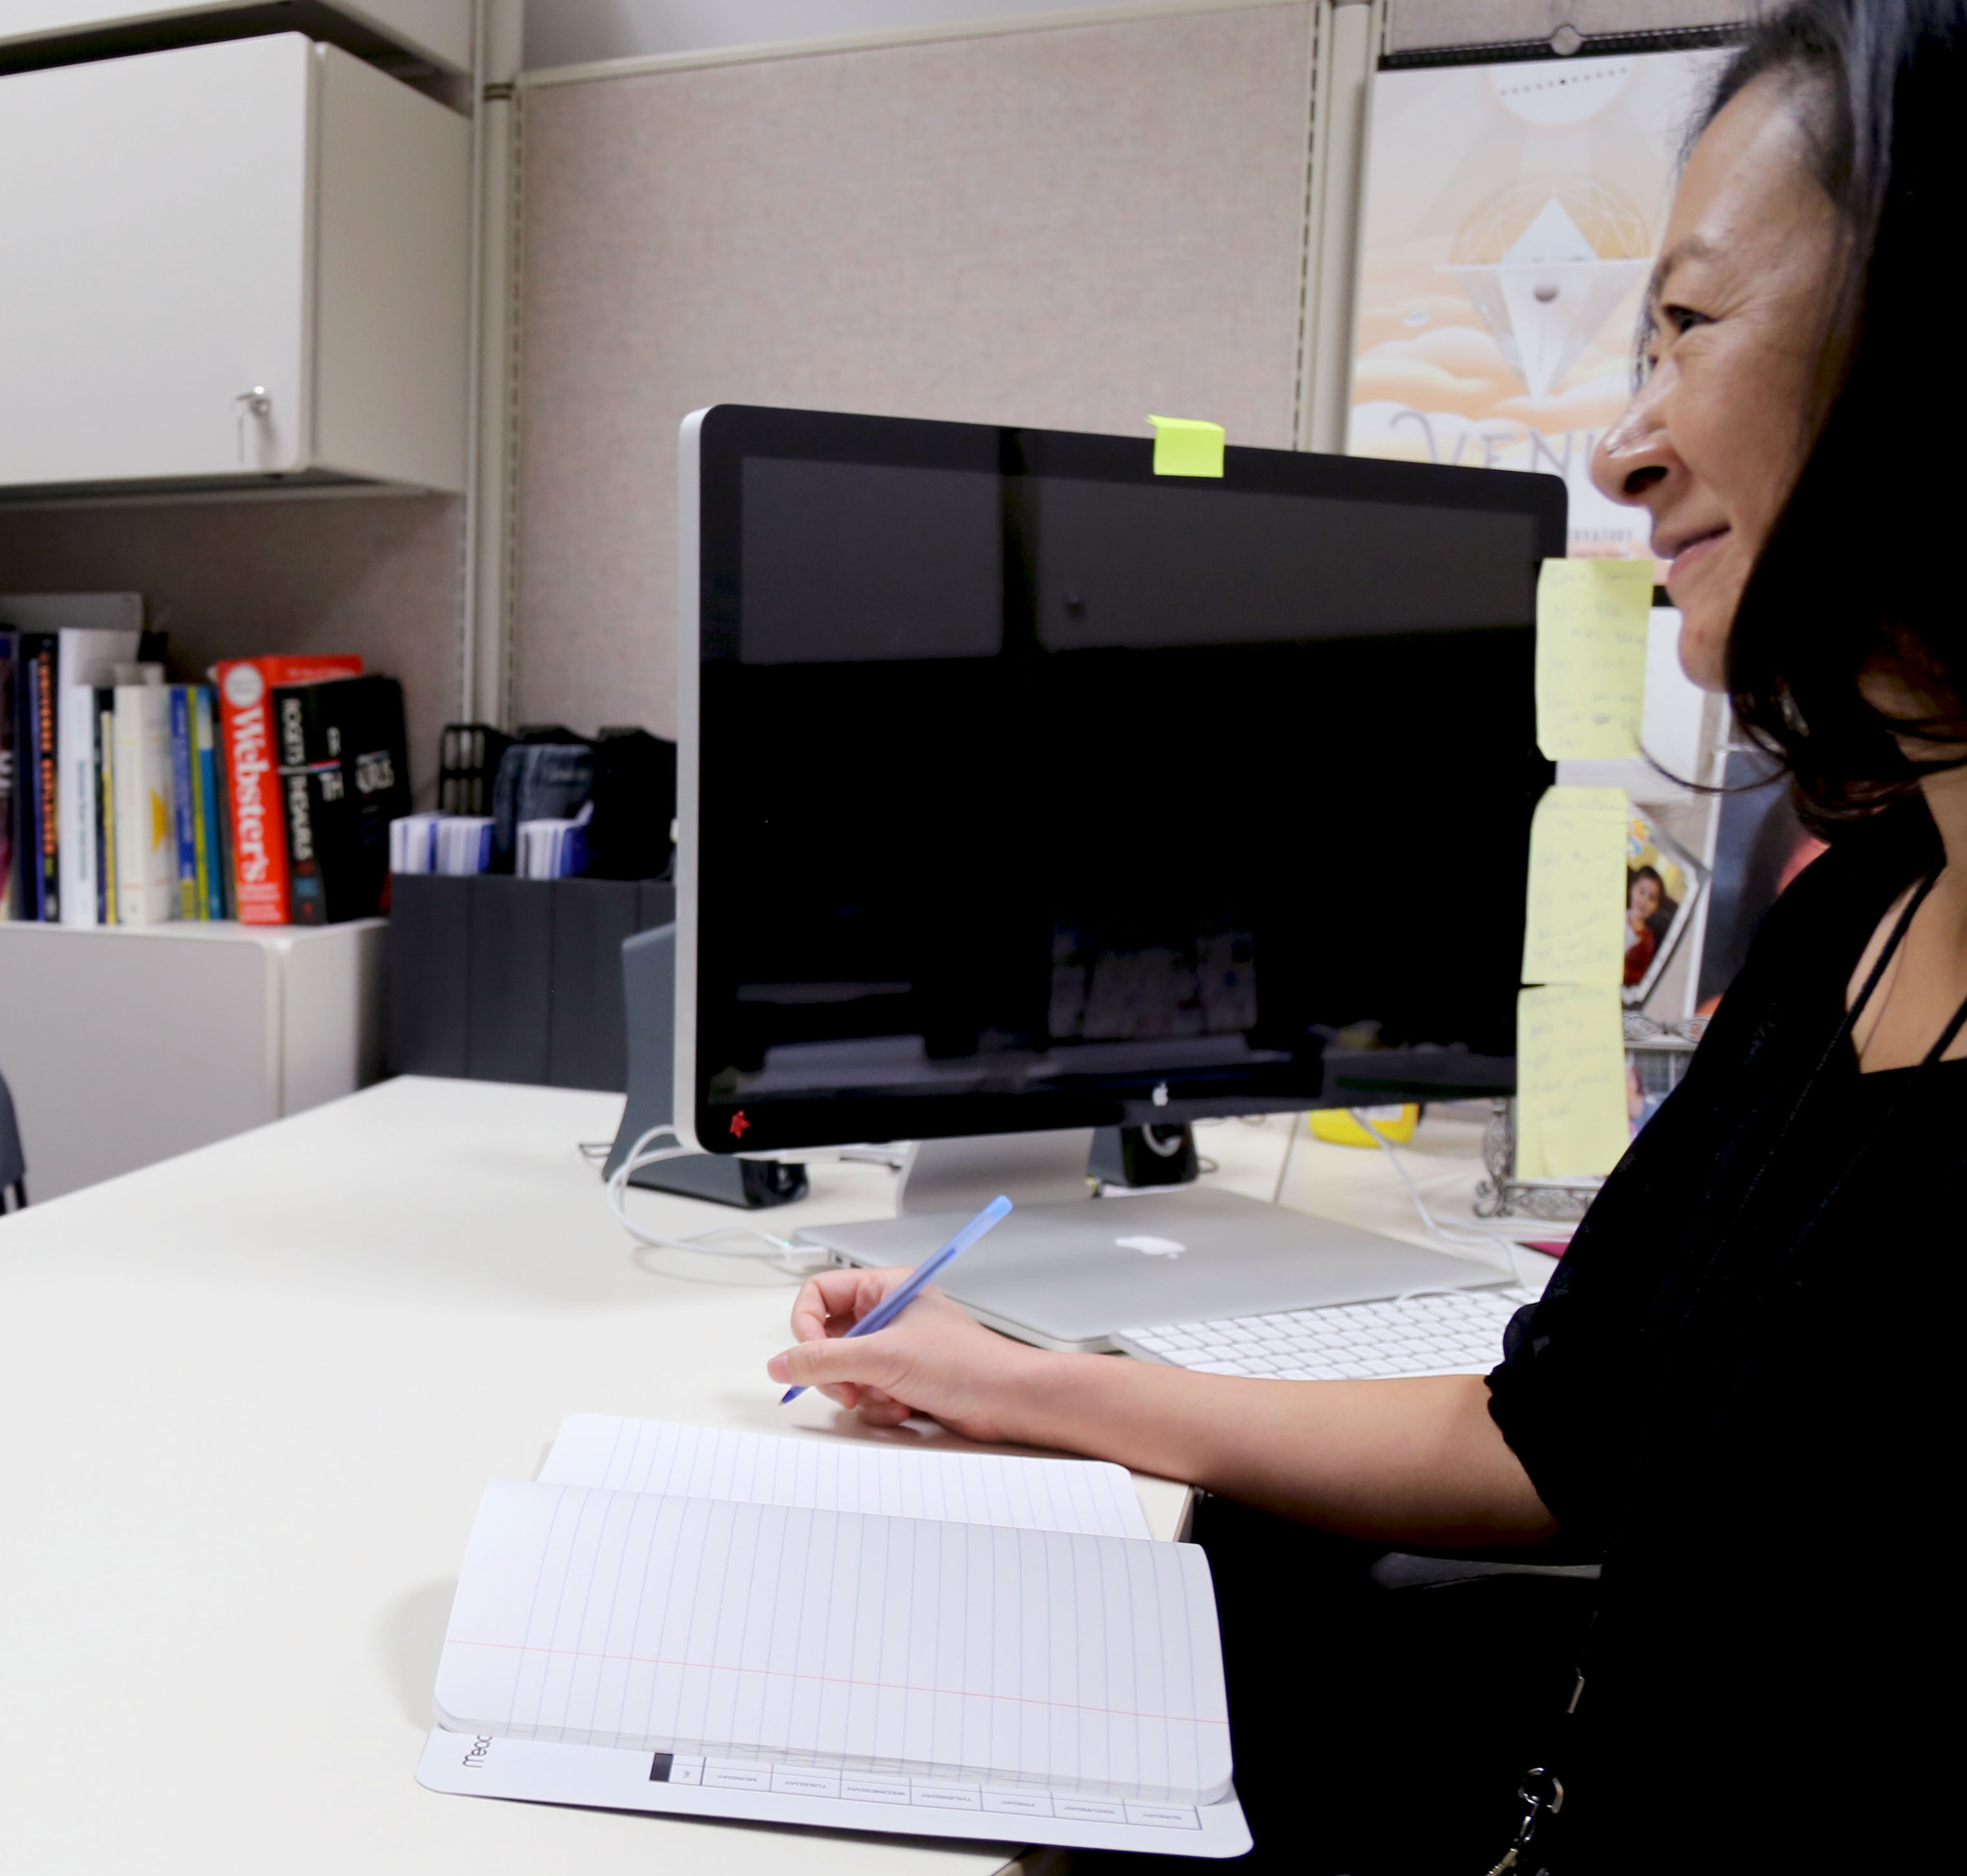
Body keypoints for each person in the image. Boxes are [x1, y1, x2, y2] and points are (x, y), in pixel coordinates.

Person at [766, 1, 1962, 1866]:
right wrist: (1024, 1387)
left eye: (1688, 326)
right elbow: (1558, 1436)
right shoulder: (1851, 935)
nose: (1624, 447)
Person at [1621, 864, 1674, 987]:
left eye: (1651, 898)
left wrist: (1625, 972)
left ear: (1656, 908)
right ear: (1632, 889)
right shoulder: (1616, 914)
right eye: (1642, 892)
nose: (1644, 901)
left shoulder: (1647, 941)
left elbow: (1641, 976)